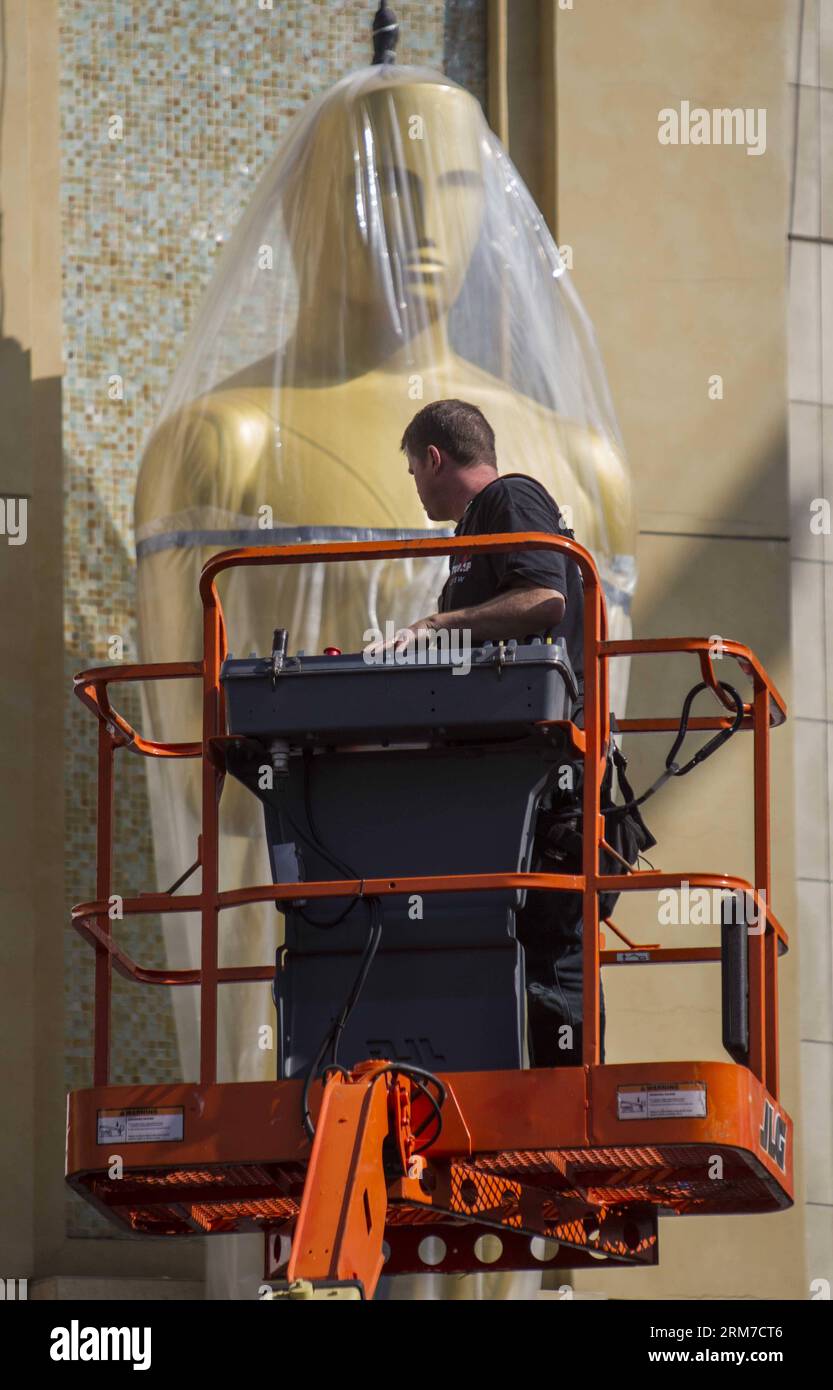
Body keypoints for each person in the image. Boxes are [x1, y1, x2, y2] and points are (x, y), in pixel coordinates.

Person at [395, 397, 605, 1067]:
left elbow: (544, 598)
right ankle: (527, 1085)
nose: (415, 486)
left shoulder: (511, 499)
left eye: (411, 469)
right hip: (512, 774)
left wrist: (434, 627)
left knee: (549, 951)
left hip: (550, 778)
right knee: (512, 943)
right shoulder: (473, 535)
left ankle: (562, 1105)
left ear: (434, 457)